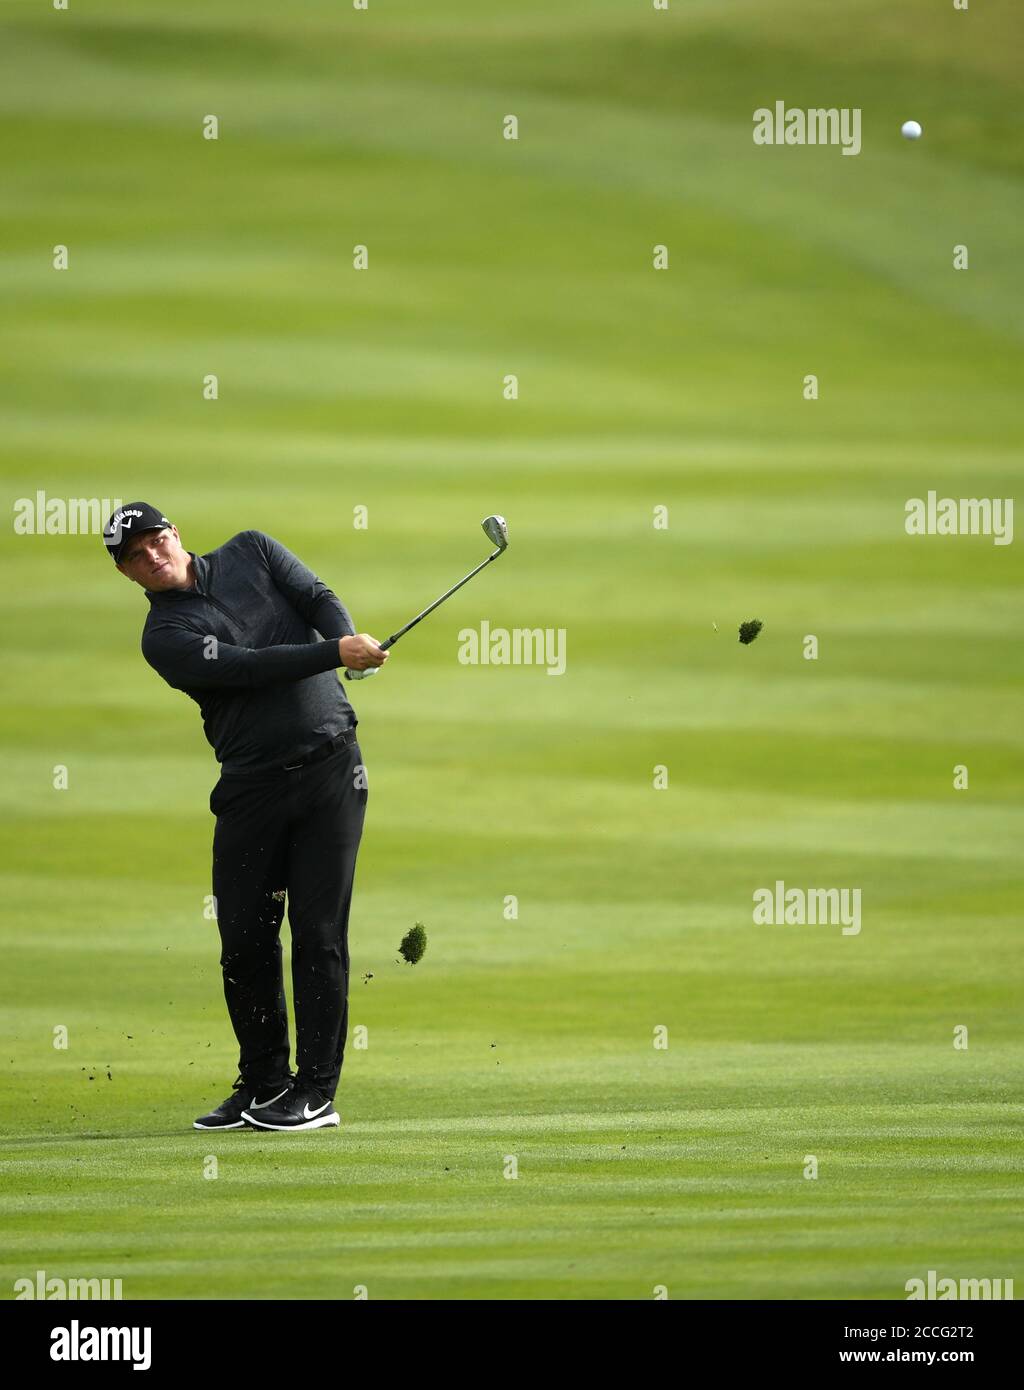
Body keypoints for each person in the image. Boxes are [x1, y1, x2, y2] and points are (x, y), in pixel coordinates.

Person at [103, 502, 388, 1131]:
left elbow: (316, 596)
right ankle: (264, 1083)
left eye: (156, 540)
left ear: (175, 534)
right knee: (245, 943)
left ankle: (314, 1092)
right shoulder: (164, 638)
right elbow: (246, 668)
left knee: (317, 934)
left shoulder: (251, 550)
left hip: (331, 771)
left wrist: (346, 640)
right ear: (128, 575)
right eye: (136, 557)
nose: (153, 556)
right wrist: (337, 653)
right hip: (251, 788)